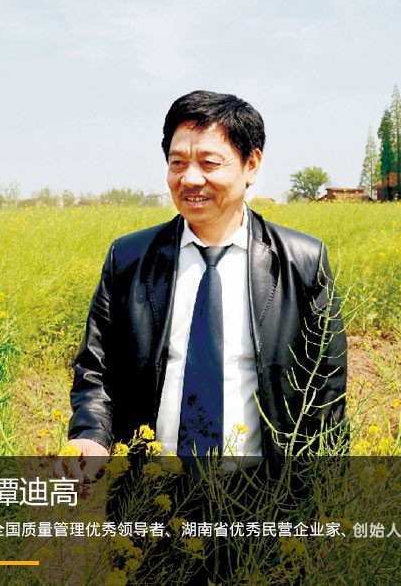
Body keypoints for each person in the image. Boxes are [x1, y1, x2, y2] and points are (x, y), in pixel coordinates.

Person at [64, 89, 347, 483]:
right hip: (150, 494)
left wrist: (324, 495)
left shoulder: (302, 261)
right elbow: (97, 370)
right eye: (177, 163)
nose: (190, 179)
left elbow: (327, 394)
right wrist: (91, 436)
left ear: (251, 165)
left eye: (209, 163)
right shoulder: (128, 259)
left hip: (264, 496)